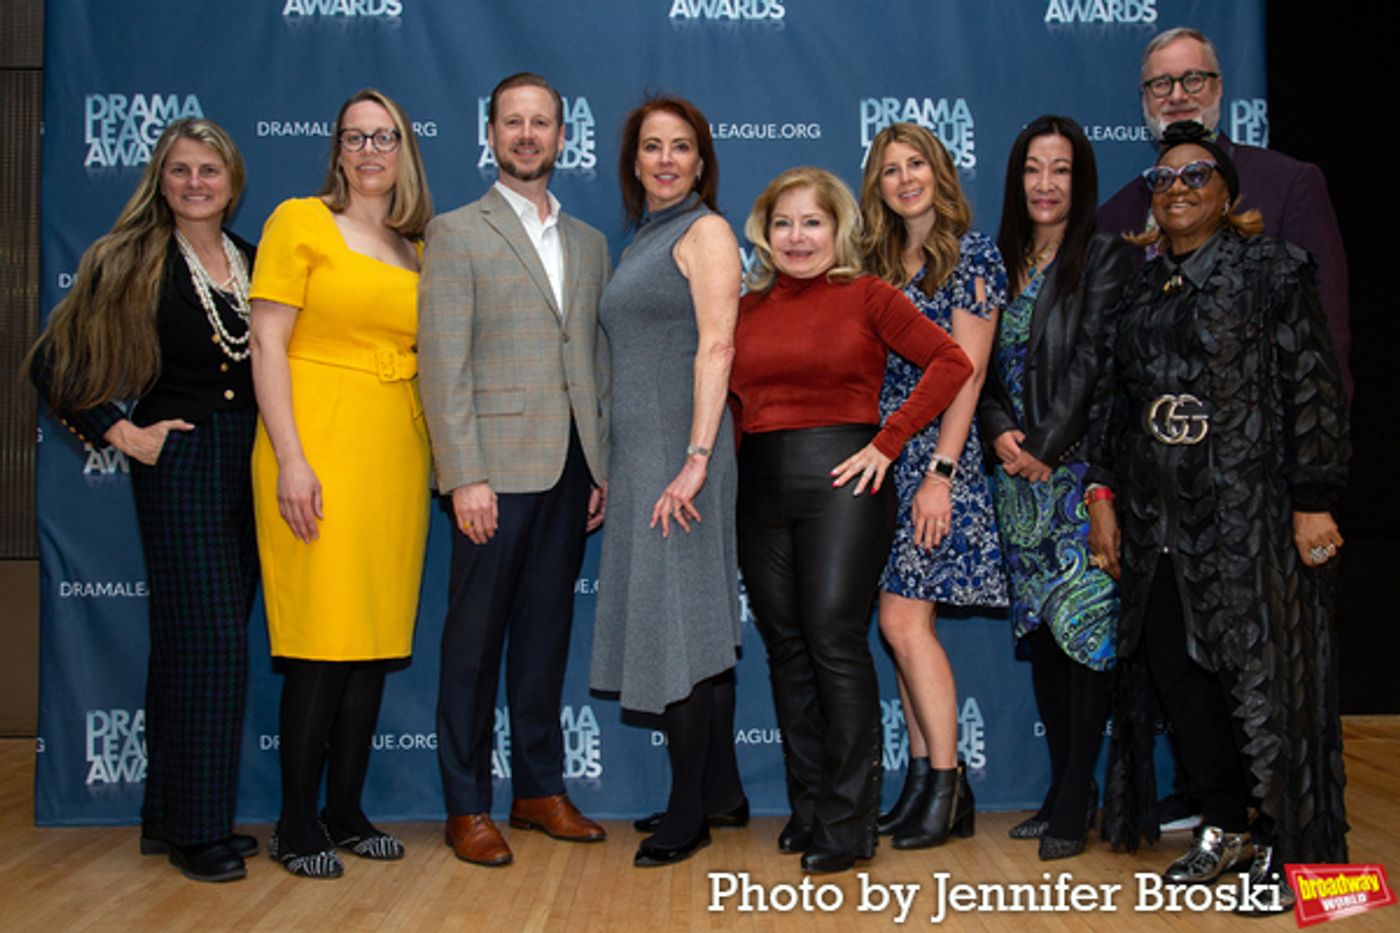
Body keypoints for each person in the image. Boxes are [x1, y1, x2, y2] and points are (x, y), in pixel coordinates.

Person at [1087, 121, 1349, 912]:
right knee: (1181, 678)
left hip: (1254, 520)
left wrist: (1314, 499)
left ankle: (1291, 846)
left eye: (1196, 176)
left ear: (1228, 193)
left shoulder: (1273, 271)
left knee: (1264, 682)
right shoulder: (1141, 288)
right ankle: (1227, 823)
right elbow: (1114, 405)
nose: (1176, 190)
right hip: (1159, 521)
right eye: (1161, 180)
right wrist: (1102, 496)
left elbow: (1314, 385)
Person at [28, 118, 258, 884]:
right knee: (214, 648)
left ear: (232, 179)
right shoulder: (127, 258)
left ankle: (167, 814)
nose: (196, 182)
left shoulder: (251, 259)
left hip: (251, 464)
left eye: (209, 170)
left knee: (189, 651)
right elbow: (52, 364)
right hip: (183, 461)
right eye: (181, 169)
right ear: (160, 179)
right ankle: (201, 832)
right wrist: (122, 433)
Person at [731, 167, 972, 874]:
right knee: (785, 647)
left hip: (844, 478)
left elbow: (950, 361)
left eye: (812, 222)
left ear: (837, 229)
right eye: (783, 223)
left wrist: (888, 442)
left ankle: (849, 817)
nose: (797, 237)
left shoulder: (866, 294)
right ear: (765, 233)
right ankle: (808, 807)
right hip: (760, 488)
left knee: (834, 639)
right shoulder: (744, 307)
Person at [418, 72, 610, 868]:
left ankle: (537, 788)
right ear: (491, 133)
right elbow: (442, 364)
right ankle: (467, 803)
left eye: (542, 123)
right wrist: (464, 474)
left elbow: (592, 359)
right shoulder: (456, 231)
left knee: (544, 640)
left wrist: (599, 465)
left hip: (570, 471)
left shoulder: (591, 242)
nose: (528, 135)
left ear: (563, 137)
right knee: (472, 646)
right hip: (492, 474)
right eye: (513, 123)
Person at [249, 88, 433, 879]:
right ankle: (295, 820)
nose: (369, 151)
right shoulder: (298, 221)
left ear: (404, 150)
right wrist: (291, 456)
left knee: (373, 637)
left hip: (396, 449)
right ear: (336, 149)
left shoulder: (415, 243)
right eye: (354, 137)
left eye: (384, 136)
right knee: (323, 637)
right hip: (316, 442)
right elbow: (265, 341)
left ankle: (346, 808)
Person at [589, 96, 746, 868]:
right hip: (649, 455)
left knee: (679, 626)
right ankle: (720, 791)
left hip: (686, 456)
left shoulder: (707, 231)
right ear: (633, 161)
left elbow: (717, 347)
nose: (664, 159)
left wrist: (693, 458)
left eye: (680, 146)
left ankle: (689, 812)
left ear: (701, 161)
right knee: (699, 625)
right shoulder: (644, 241)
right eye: (651, 147)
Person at [982, 114, 1132, 861]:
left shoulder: (1103, 256)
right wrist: (1000, 430)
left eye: (1062, 169)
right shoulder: (997, 259)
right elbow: (973, 365)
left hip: (1075, 480)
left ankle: (1077, 796)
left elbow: (1095, 365)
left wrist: (1046, 447)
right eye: (1034, 169)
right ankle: (1060, 787)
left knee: (1085, 642)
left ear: (1082, 180)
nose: (1046, 184)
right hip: (1014, 484)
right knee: (1043, 639)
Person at [857, 122, 1008, 850]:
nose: (906, 178)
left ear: (940, 169)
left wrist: (941, 474)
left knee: (903, 625)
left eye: (917, 163)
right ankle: (927, 781)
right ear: (876, 185)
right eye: (891, 170)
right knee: (903, 631)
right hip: (888, 461)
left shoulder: (972, 254)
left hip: (934, 463)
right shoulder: (877, 262)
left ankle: (943, 787)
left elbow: (967, 372)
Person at [1098, 26, 1351, 399]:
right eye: (1161, 84)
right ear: (1145, 100)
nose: (1177, 95)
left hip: (1258, 438)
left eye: (1193, 79)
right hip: (1152, 441)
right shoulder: (1116, 216)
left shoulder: (1288, 184)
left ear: (1219, 88)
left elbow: (1325, 326)